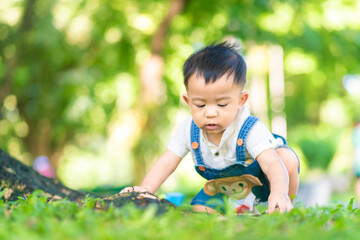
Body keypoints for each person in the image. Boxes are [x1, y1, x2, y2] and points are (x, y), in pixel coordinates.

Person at [121, 41, 299, 214]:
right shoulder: (188, 130)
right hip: (222, 185)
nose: (211, 113)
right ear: (188, 102)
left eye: (221, 105)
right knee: (202, 209)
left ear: (240, 101)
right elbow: (166, 162)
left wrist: (278, 192)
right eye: (200, 105)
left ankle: (281, 206)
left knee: (285, 158)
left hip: (264, 181)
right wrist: (145, 189)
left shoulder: (249, 128)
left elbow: (271, 164)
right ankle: (239, 210)